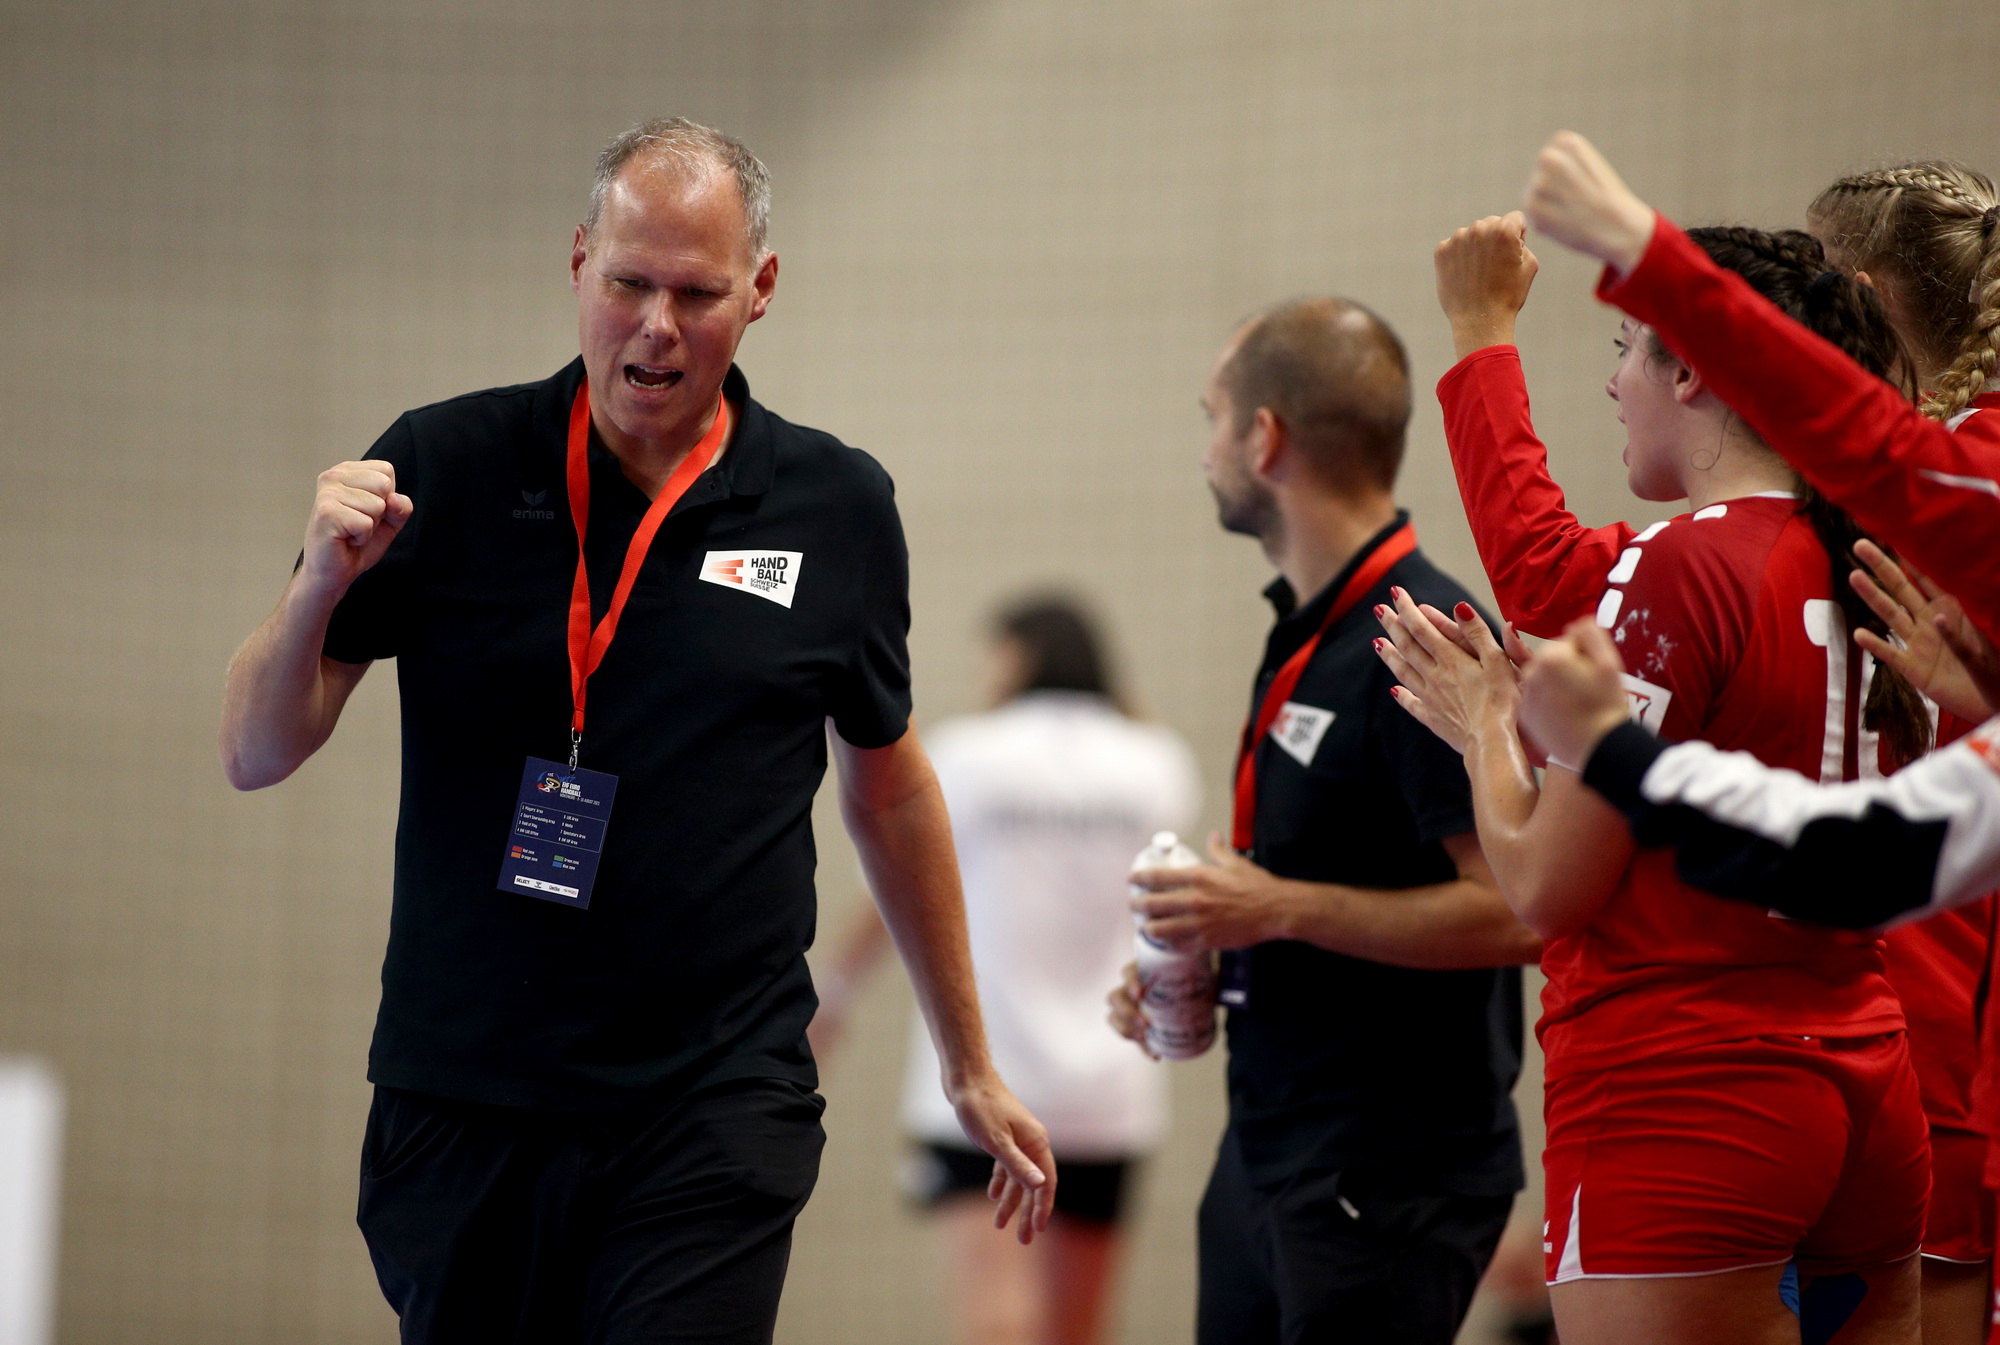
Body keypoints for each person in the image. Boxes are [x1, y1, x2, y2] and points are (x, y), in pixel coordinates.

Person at [216, 117, 1053, 1345]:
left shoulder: (835, 507)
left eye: (696, 292)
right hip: (467, 1094)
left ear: (760, 291)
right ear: (576, 264)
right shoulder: (438, 468)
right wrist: (313, 593)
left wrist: (967, 1058)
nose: (656, 326)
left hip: (711, 1103)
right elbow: (254, 749)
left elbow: (889, 787)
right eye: (628, 283)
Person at [1384, 192, 1937, 1343]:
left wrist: (1482, 721)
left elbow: (1540, 888)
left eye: (1622, 351)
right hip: (1864, 1082)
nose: (1611, 383)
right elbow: (1548, 571)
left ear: (1689, 371)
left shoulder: (1682, 566)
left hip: (1688, 1089)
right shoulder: (1868, 562)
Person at [1106, 297, 1542, 1345]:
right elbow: (1324, 884)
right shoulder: (1311, 626)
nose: (1204, 445)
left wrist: (1277, 906)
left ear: (1264, 439)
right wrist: (1215, 944)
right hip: (1271, 1147)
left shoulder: (1421, 638)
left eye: (1211, 415)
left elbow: (1516, 911)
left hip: (1385, 1172)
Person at [811, 594, 1201, 1345]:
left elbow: (900, 881)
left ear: (1016, 655)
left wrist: (836, 987)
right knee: (1078, 1327)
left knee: (994, 1314)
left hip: (987, 1076)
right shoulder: (1157, 760)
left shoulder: (971, 752)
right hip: (1110, 1085)